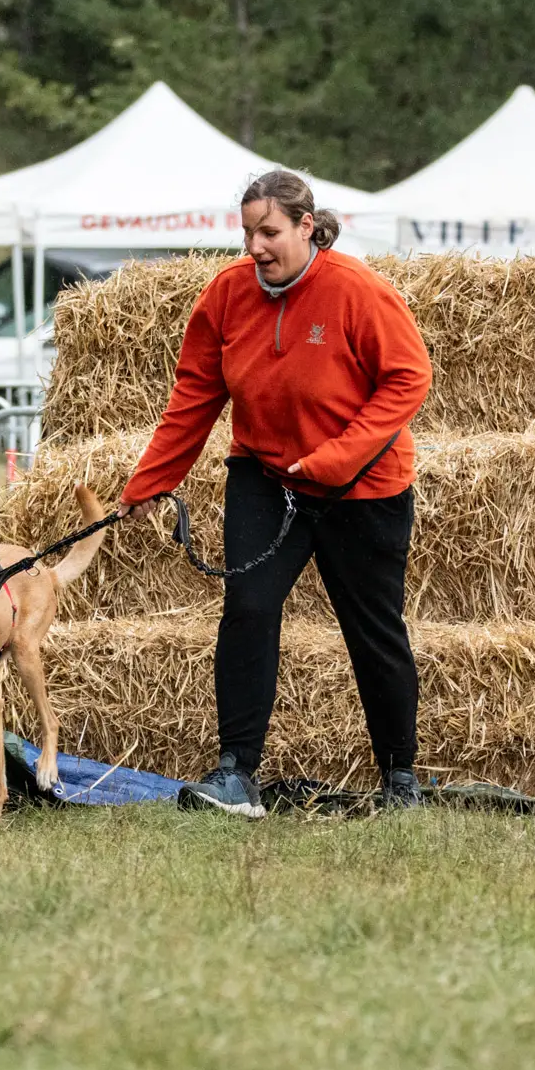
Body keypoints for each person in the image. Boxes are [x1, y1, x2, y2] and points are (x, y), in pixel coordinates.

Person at [116, 170, 432, 818]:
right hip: (264, 478)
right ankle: (237, 774)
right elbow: (194, 398)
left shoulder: (358, 291)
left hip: (363, 489)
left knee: (373, 631)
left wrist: (335, 460)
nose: (255, 246)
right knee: (249, 610)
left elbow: (408, 379)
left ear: (305, 227)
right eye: (247, 233)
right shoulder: (227, 296)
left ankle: (400, 780)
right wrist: (151, 479)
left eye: (269, 232)